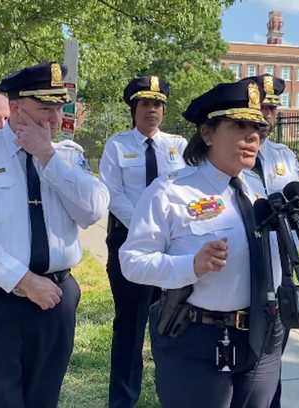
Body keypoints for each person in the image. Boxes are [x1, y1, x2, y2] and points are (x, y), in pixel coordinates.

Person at [0, 62, 109, 408]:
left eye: (59, 108)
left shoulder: (66, 157)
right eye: (45, 108)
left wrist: (47, 156)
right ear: (15, 109)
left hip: (53, 303)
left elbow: (92, 210)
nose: (55, 118)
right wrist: (22, 280)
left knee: (43, 400)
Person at [119, 79, 285, 408]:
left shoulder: (258, 190)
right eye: (239, 125)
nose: (253, 136)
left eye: (258, 127)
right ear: (207, 134)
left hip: (261, 338)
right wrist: (190, 266)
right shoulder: (172, 191)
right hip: (197, 340)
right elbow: (132, 261)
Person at [99, 75, 187, 408]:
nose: (153, 110)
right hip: (129, 244)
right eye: (146, 104)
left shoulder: (178, 146)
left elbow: (186, 191)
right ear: (134, 108)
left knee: (174, 325)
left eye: (158, 104)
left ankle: (175, 395)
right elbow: (112, 193)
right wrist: (147, 224)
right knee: (130, 326)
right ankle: (123, 400)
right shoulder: (117, 145)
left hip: (172, 247)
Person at [241, 73, 299, 408]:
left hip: (282, 268)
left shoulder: (285, 156)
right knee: (249, 358)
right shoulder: (231, 155)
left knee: (274, 357)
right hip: (246, 268)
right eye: (261, 107)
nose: (266, 115)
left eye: (272, 109)